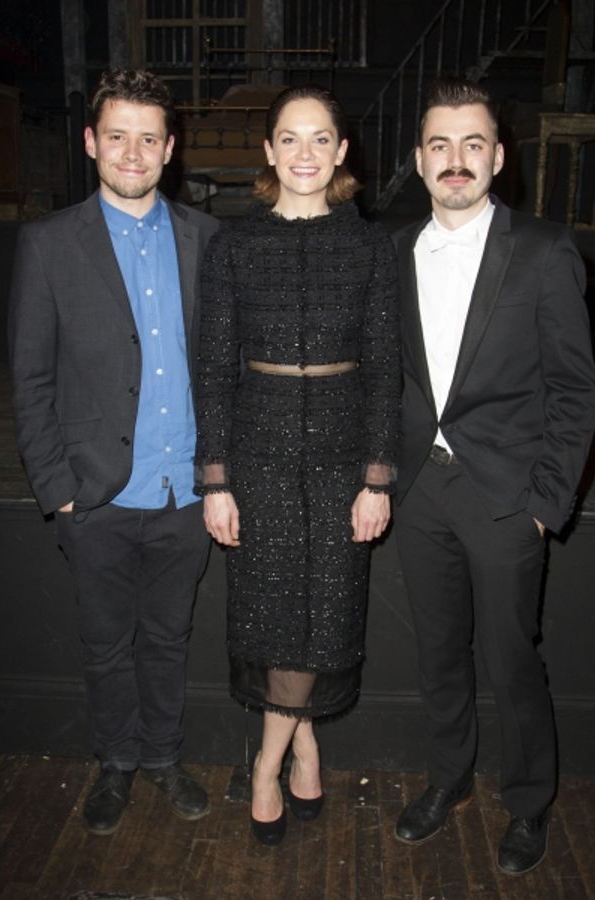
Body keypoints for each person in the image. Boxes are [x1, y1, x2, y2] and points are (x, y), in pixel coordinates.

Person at [391, 76, 595, 875]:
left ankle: (530, 800)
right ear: (419, 159)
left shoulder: (545, 251)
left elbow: (576, 390)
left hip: (508, 496)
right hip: (420, 489)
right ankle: (448, 779)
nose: (456, 159)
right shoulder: (394, 252)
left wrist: (545, 503)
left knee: (513, 658)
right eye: (440, 144)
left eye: (472, 144)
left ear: (499, 157)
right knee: (439, 653)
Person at [8, 68, 219, 835]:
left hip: (185, 494)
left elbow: (224, 369)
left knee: (168, 639)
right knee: (104, 648)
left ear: (170, 148)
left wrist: (219, 476)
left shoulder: (208, 239)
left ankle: (162, 757)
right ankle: (117, 763)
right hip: (96, 496)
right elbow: (29, 377)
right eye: (118, 136)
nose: (134, 152)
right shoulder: (47, 243)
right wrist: (59, 489)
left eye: (149, 138)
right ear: (92, 142)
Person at [196, 84, 400, 846]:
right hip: (259, 453)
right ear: (269, 150)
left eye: (321, 138)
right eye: (290, 137)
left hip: (343, 456)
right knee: (277, 614)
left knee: (328, 614)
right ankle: (293, 750)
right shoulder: (234, 246)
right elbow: (214, 370)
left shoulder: (370, 246)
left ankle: (270, 757)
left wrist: (377, 476)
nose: (305, 153)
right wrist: (215, 479)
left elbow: (385, 369)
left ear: (342, 151)